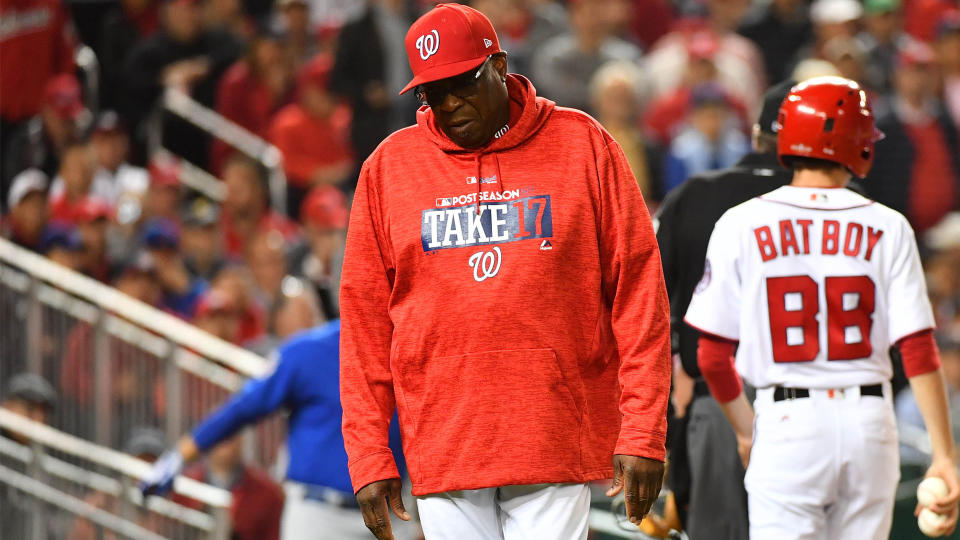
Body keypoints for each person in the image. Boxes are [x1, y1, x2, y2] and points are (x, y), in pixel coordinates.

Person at [340, 4, 671, 539]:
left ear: (499, 65)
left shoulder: (582, 145)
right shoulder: (388, 167)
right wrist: (369, 453)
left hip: (553, 433)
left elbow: (640, 295)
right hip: (443, 441)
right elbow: (364, 325)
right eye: (432, 92)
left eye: (461, 83)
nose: (449, 103)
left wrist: (642, 432)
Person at [684, 76, 960, 538]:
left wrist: (748, 431)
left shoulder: (741, 222)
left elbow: (710, 355)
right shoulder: (889, 225)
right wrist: (945, 455)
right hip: (870, 422)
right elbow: (917, 349)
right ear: (858, 143)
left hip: (788, 423)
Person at [654, 79, 795, 539]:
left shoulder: (694, 194)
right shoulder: (844, 204)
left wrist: (675, 369)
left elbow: (650, 297)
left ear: (755, 136)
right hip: (819, 400)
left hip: (715, 394)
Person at [138, 320, 413, 540]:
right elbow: (241, 410)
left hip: (392, 517)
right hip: (318, 519)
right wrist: (178, 456)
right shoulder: (309, 351)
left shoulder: (412, 351)